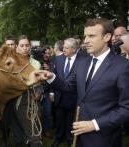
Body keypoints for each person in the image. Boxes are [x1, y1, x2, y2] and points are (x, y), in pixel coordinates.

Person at [44, 18, 129, 147]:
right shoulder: (82, 62)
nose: (86, 41)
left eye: (91, 36)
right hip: (79, 135)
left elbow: (126, 108)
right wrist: (51, 77)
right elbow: (68, 86)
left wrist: (95, 124)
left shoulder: (123, 66)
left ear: (107, 37)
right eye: (85, 36)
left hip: (104, 138)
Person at [51, 38, 86, 147]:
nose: (63, 49)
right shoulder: (58, 59)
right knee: (59, 119)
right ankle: (58, 138)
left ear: (74, 49)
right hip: (59, 96)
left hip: (73, 98)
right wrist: (52, 92)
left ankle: (70, 138)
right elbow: (53, 76)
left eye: (66, 47)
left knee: (71, 120)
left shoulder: (83, 60)